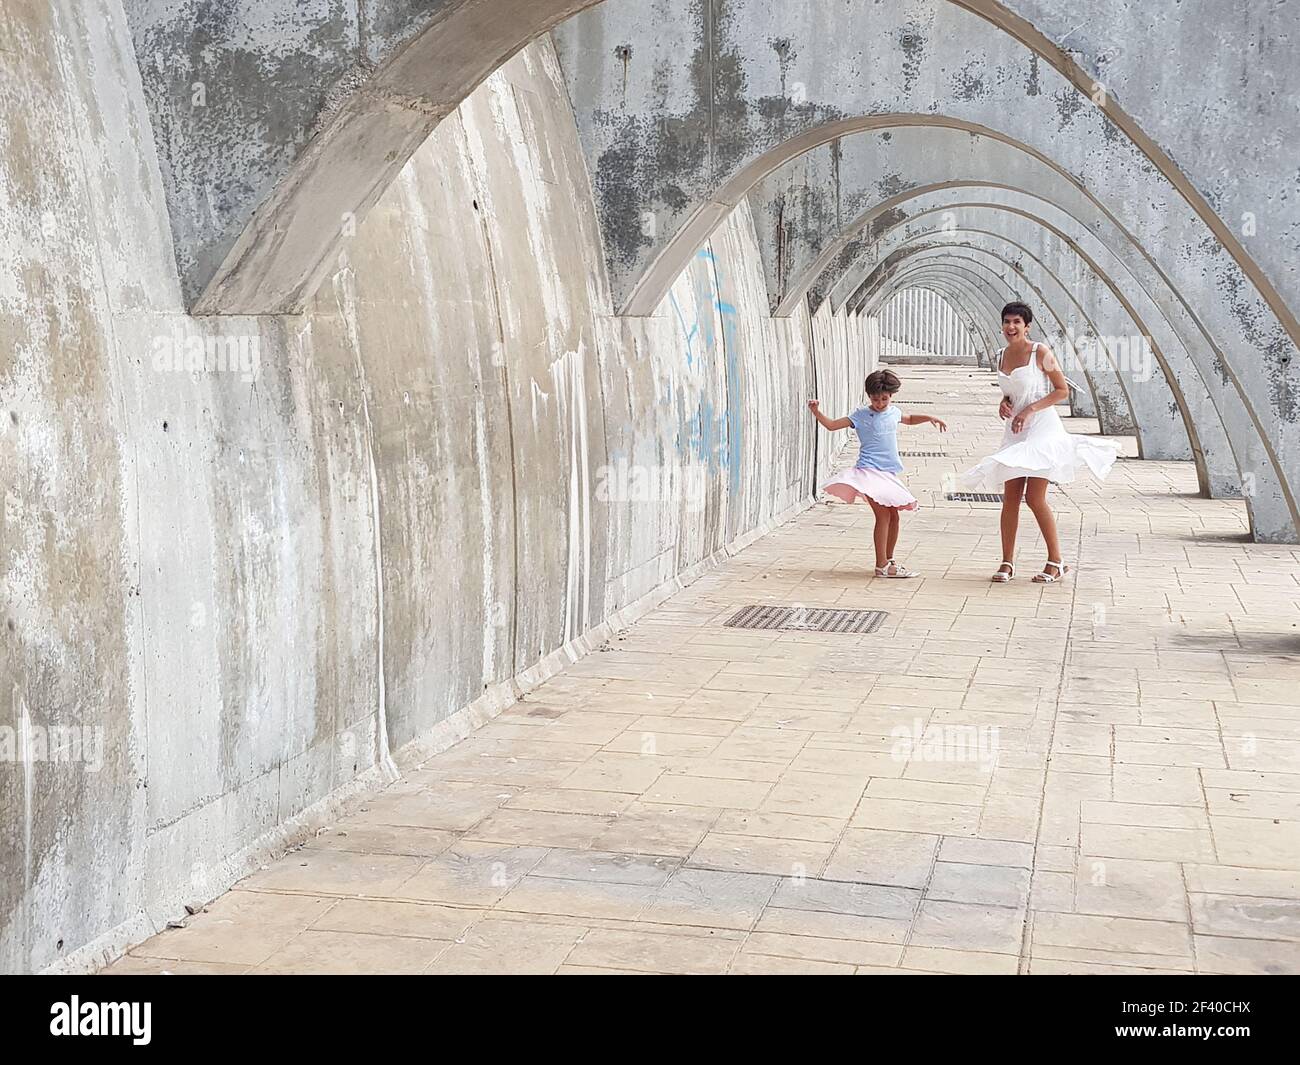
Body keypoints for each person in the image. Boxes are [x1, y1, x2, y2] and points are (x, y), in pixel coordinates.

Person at [958, 302, 1119, 584]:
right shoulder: (1000, 356)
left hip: (1042, 429)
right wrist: (1004, 404)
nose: (1011, 327)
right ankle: (1007, 562)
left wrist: (1029, 409)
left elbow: (1061, 390)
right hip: (1015, 430)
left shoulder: (1040, 352)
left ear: (1027, 326)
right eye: (1007, 321)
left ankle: (1056, 561)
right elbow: (1011, 392)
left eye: (1017, 322)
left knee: (1034, 498)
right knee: (1010, 498)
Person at [808, 369, 947, 578]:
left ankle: (890, 560)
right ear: (868, 396)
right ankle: (881, 564)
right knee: (882, 516)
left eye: (884, 399)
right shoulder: (861, 415)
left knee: (894, 516)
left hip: (887, 473)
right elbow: (832, 425)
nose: (880, 403)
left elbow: (908, 419)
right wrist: (817, 412)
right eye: (875, 399)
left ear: (891, 396)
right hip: (868, 472)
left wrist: (929, 417)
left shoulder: (894, 412)